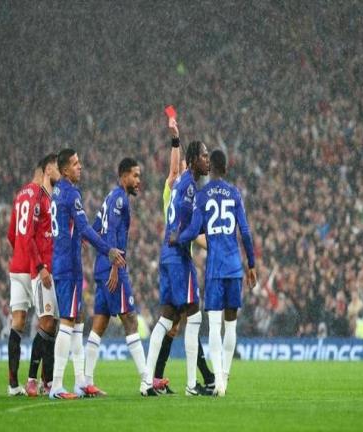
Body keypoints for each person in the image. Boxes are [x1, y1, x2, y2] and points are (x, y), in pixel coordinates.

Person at [172, 149, 256, 396]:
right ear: (226, 169)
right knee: (231, 325)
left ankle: (217, 380)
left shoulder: (202, 195)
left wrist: (177, 238)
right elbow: (245, 232)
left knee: (215, 325)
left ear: (211, 168)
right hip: (234, 267)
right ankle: (225, 378)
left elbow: (193, 230)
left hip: (215, 270)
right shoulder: (235, 193)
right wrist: (251, 264)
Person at [49, 148, 126, 399]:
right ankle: (57, 386)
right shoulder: (71, 193)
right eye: (75, 164)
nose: (80, 166)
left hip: (63, 261)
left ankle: (81, 381)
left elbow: (75, 228)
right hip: (68, 266)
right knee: (67, 321)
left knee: (78, 318)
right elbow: (83, 228)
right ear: (64, 171)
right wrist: (108, 250)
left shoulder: (57, 191)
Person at [152, 108, 215, 394]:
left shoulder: (175, 190)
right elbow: (175, 170)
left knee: (173, 321)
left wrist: (176, 139)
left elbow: (194, 235)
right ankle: (199, 379)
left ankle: (153, 378)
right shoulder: (178, 189)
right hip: (177, 255)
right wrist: (176, 141)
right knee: (189, 315)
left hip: (171, 254)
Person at [83, 158, 148, 395]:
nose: (138, 181)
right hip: (113, 266)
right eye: (135, 176)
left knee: (99, 323)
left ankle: (86, 382)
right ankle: (146, 380)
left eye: (139, 176)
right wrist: (114, 265)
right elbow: (109, 231)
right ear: (123, 176)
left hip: (102, 266)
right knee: (130, 319)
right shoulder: (120, 199)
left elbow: (94, 228)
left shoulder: (110, 197)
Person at [25, 153, 61, 396]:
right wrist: (40, 267)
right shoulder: (38, 197)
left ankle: (47, 381)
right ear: (48, 169)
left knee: (54, 326)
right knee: (46, 321)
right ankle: (31, 379)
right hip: (43, 272)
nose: (60, 171)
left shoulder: (53, 199)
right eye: (58, 167)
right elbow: (29, 237)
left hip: (56, 270)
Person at [6, 161, 44, 396]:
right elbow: (34, 233)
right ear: (42, 172)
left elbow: (12, 234)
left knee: (17, 322)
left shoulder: (20, 195)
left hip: (16, 266)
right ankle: (39, 380)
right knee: (46, 321)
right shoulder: (39, 194)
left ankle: (13, 385)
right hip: (32, 267)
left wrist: (19, 250)